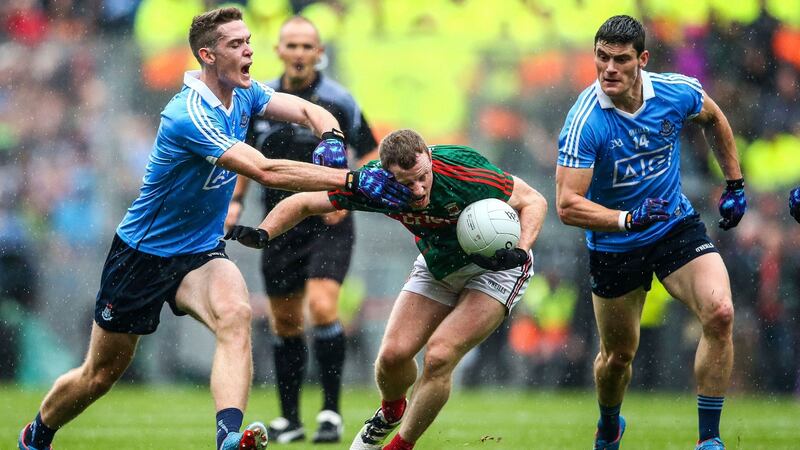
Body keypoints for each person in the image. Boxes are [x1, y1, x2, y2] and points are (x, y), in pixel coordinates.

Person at [17, 7, 409, 450]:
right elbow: (264, 170)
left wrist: (333, 139)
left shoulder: (244, 93)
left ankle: (227, 440)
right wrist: (352, 182)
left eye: (248, 41)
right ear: (207, 54)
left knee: (235, 315)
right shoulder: (188, 114)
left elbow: (304, 108)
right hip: (142, 256)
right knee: (100, 375)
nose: (249, 50)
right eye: (236, 44)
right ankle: (36, 435)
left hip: (200, 251)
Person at [225, 128, 548, 450]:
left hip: (498, 268)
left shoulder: (465, 173)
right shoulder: (374, 186)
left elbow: (533, 199)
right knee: (392, 358)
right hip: (439, 265)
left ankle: (400, 446)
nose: (419, 189)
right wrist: (264, 232)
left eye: (423, 176)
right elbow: (304, 203)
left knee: (439, 355)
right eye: (407, 183)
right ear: (389, 177)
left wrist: (520, 249)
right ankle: (391, 411)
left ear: (429, 158)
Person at [555, 15, 745, 450]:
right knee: (618, 358)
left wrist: (734, 183)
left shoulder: (676, 92)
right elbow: (567, 204)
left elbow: (713, 117)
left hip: (672, 225)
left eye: (621, 60)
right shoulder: (585, 120)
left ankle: (709, 441)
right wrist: (626, 219)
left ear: (642, 60)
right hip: (615, 244)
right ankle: (609, 423)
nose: (609, 69)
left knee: (720, 312)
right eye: (602, 58)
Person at [224, 15, 379, 445]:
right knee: (286, 321)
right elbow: (243, 157)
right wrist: (236, 203)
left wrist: (348, 196)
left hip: (329, 222)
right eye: (290, 45)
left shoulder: (339, 101)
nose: (298, 53)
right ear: (277, 51)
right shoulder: (260, 100)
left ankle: (330, 413)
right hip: (278, 224)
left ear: (319, 52)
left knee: (324, 307)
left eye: (306, 46)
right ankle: (290, 419)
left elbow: (370, 153)